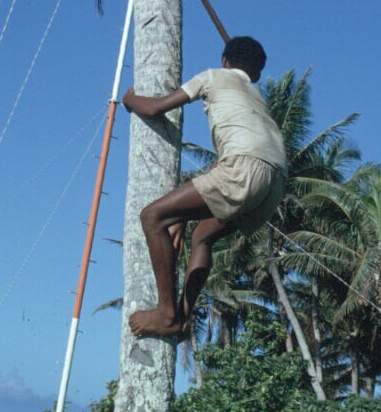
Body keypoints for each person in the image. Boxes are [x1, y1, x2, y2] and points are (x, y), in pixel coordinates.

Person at [122, 35, 286, 338]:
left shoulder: (213, 76)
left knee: (153, 216)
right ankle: (183, 318)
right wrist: (184, 215)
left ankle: (166, 313)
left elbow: (155, 108)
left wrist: (129, 100)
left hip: (243, 168)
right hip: (274, 183)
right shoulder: (256, 97)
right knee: (203, 237)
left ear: (224, 60)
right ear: (256, 73)